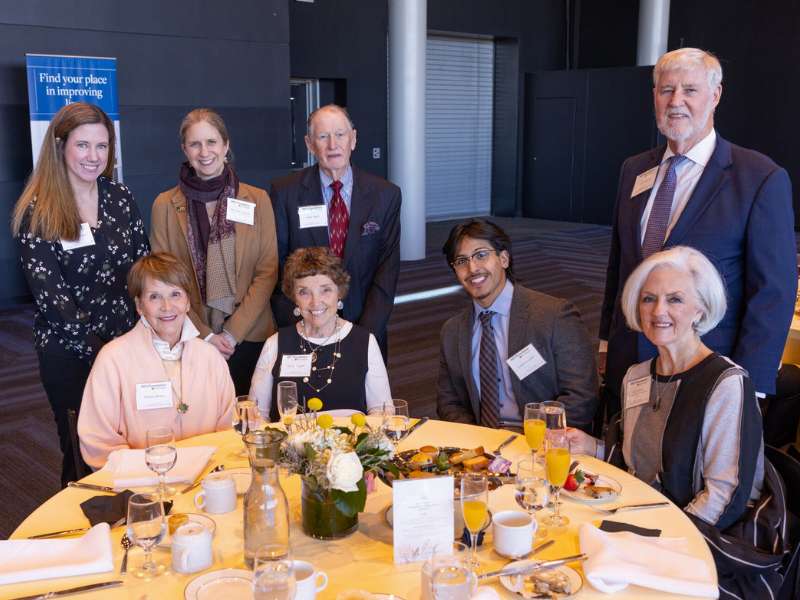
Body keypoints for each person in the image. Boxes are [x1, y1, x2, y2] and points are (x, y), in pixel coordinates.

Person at [600, 48, 796, 418]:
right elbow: (621, 264)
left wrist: (746, 385)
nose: (676, 102)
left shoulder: (759, 178)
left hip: (707, 372)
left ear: (715, 95)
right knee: (623, 462)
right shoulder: (634, 169)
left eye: (689, 90)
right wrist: (607, 342)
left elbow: (773, 292)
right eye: (666, 90)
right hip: (631, 366)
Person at [572, 246, 764, 529]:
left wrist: (667, 538)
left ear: (700, 309)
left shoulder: (724, 384)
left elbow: (725, 496)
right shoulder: (637, 376)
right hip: (634, 520)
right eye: (648, 299)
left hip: (696, 537)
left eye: (674, 299)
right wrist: (590, 446)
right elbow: (634, 466)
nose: (658, 311)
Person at [11, 102, 150, 486]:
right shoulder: (38, 210)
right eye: (83, 145)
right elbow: (53, 300)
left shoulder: (120, 197)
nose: (94, 157)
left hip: (128, 344)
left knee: (132, 445)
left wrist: (147, 331)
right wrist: (104, 353)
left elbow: (143, 265)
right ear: (60, 147)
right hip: (70, 354)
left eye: (102, 147)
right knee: (82, 453)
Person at [150, 108, 278, 395]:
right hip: (192, 335)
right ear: (185, 149)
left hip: (251, 334)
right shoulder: (164, 205)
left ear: (226, 145)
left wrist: (232, 334)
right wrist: (206, 335)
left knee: (253, 419)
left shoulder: (257, 199)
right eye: (195, 144)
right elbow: (166, 279)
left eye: (211, 142)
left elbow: (267, 271)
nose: (204, 151)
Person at [437, 219, 598, 432]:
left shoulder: (554, 316)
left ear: (503, 258)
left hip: (540, 442)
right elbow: (449, 403)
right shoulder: (452, 331)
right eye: (461, 261)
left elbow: (581, 397)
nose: (472, 268)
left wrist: (529, 440)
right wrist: (477, 442)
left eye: (481, 255)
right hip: (481, 447)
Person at [78, 253, 235, 470]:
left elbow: (229, 429)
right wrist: (155, 473)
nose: (167, 306)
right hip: (141, 486)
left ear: (188, 302)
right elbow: (98, 442)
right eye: (154, 297)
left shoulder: (210, 357)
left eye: (175, 294)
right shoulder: (112, 359)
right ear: (139, 305)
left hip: (207, 480)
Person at [270, 104, 401, 358]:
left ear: (353, 139)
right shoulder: (285, 193)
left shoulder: (385, 195)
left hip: (364, 325)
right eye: (323, 137)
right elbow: (278, 265)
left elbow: (387, 269)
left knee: (366, 397)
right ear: (310, 144)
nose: (333, 145)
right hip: (306, 324)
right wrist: (300, 326)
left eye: (340, 135)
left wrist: (366, 334)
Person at [250, 247, 391, 419]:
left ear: (339, 292)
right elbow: (256, 417)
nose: (315, 302)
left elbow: (382, 412)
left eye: (325, 290)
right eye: (304, 292)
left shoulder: (365, 342)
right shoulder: (275, 344)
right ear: (294, 298)